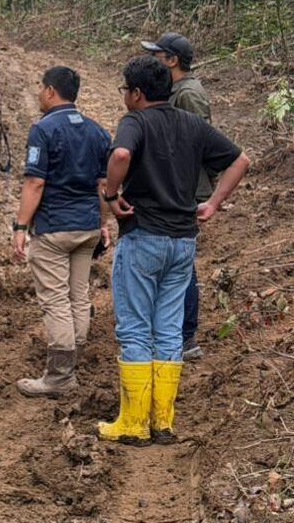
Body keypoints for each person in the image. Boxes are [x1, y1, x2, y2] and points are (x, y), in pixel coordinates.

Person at [99, 56, 249, 445]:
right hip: (183, 242)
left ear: (136, 93)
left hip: (143, 236)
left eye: (124, 91)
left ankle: (132, 423)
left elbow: (119, 156)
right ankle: (162, 422)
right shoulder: (192, 123)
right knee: (168, 329)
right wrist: (212, 203)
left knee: (134, 328)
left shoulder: (135, 121)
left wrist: (111, 194)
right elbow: (240, 160)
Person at [11, 66, 112, 398]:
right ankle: (74, 358)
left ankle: (59, 376)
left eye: (41, 88)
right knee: (78, 296)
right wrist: (103, 222)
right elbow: (104, 184)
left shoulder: (43, 130)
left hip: (55, 228)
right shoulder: (98, 132)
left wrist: (21, 226)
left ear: (51, 91)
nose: (40, 93)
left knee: (55, 300)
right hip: (87, 227)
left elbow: (35, 181)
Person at [142, 32, 211, 362]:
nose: (154, 60)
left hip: (187, 188)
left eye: (158, 55)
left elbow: (198, 141)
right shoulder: (177, 91)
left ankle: (186, 337)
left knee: (183, 263)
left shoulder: (189, 94)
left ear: (172, 60)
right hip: (181, 186)